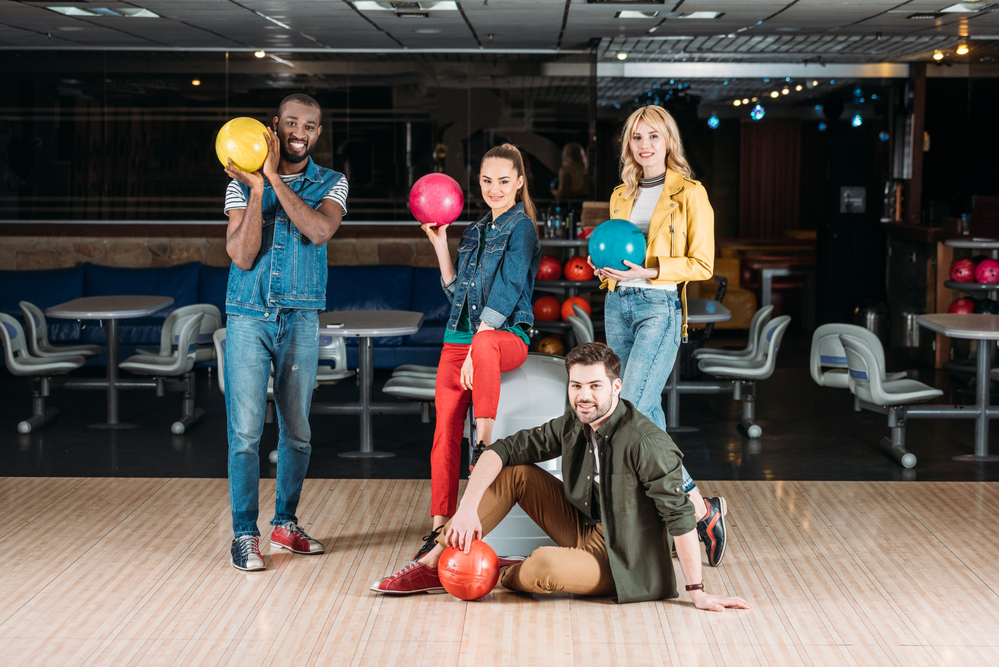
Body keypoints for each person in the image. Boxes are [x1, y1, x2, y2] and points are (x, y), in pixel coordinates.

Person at [370, 343, 752, 611]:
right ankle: (433, 563)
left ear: (616, 387)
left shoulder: (647, 442)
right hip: (585, 529)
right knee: (515, 469)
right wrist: (468, 507)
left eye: (595, 386)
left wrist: (698, 592)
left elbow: (682, 519)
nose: (584, 396)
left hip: (623, 559)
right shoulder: (574, 421)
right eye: (576, 386)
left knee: (543, 568)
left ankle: (502, 569)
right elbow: (500, 451)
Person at [590, 105, 727, 566]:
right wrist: (602, 269)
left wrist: (652, 270)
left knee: (629, 406)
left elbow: (703, 263)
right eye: (636, 138)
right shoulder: (620, 194)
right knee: (643, 413)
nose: (645, 146)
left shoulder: (690, 193)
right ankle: (693, 515)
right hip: (618, 303)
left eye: (653, 137)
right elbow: (613, 245)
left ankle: (692, 502)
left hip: (659, 306)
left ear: (669, 141)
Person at [222, 94, 348, 571]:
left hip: (299, 317)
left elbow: (318, 231)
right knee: (245, 433)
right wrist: (257, 190)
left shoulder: (332, 183)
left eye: (310, 125)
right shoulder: (238, 185)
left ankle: (286, 525)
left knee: (297, 431)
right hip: (248, 316)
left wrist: (272, 177)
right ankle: (244, 534)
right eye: (292, 122)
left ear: (318, 132)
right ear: (274, 126)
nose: (301, 131)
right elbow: (242, 255)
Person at [412, 144, 542, 563]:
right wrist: (441, 244)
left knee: (484, 343)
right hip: (458, 338)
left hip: (505, 338)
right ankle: (438, 527)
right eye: (487, 181)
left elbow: (505, 292)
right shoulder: (475, 229)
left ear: (519, 182)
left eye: (504, 181)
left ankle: (483, 449)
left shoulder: (521, 228)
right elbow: (456, 294)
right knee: (443, 430)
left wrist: (475, 348)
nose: (495, 188)